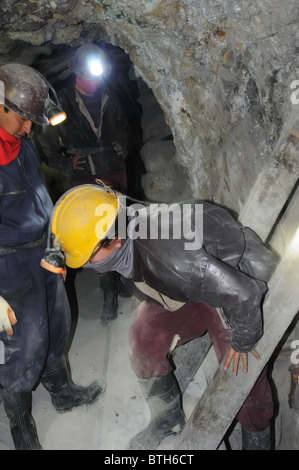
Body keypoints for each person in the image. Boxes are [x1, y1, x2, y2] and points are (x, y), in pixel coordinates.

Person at [43, 184, 279, 450]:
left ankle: (258, 438)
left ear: (115, 239)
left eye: (88, 258)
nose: (86, 265)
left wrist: (244, 341)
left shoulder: (169, 258)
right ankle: (168, 416)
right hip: (193, 279)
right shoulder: (122, 224)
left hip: (231, 280)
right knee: (142, 339)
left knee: (241, 371)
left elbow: (244, 293)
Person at [0, 64, 105, 451]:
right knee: (22, 347)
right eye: (23, 119)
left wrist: (56, 246)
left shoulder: (21, 142)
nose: (29, 128)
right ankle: (21, 429)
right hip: (6, 267)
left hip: (43, 251)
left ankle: (62, 393)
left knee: (58, 326)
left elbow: (37, 190)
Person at [32, 43, 132, 321]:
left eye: (98, 76)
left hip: (114, 172)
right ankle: (108, 290)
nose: (94, 81)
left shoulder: (110, 97)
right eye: (89, 76)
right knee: (95, 237)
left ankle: (125, 278)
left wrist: (123, 146)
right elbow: (45, 142)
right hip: (85, 180)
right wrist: (65, 163)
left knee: (121, 229)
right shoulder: (62, 103)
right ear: (77, 74)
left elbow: (125, 127)